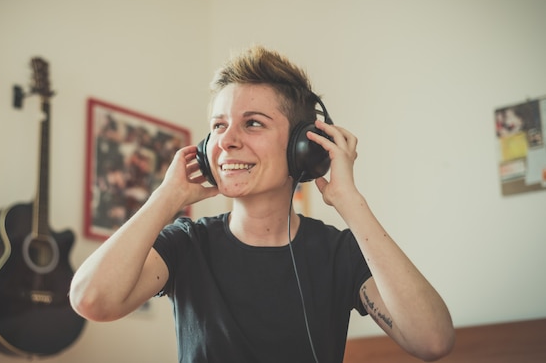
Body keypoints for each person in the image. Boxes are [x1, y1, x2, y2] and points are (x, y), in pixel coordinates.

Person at [70, 45, 455, 363]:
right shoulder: (185, 245)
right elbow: (91, 300)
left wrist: (349, 200)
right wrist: (164, 198)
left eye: (252, 123)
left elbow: (432, 341)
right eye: (219, 125)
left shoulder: (340, 254)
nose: (226, 141)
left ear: (301, 148)